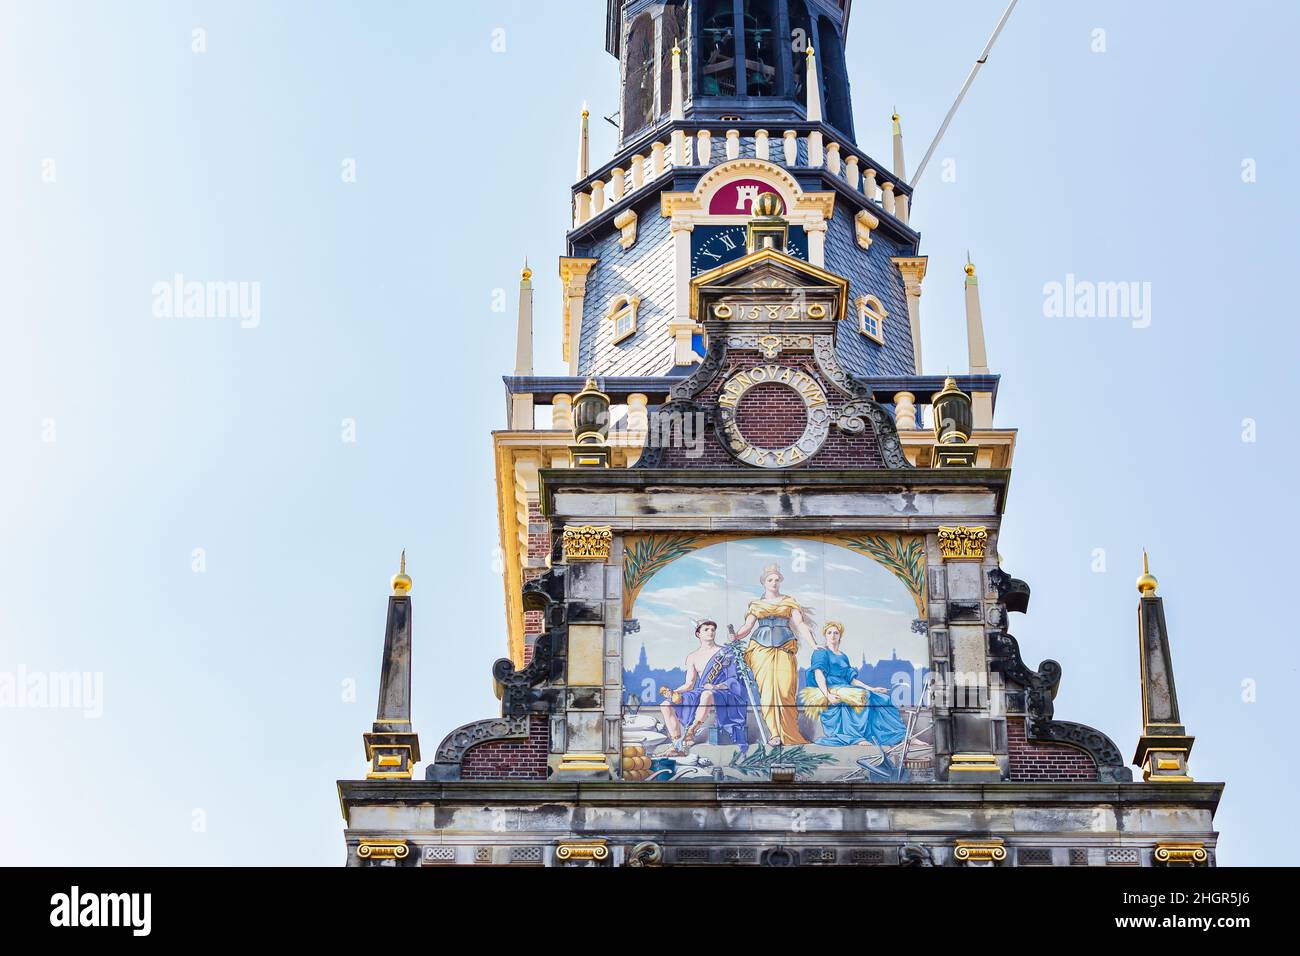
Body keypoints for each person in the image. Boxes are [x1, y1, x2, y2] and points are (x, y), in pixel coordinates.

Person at [730, 563, 815, 746]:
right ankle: (774, 734)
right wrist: (736, 636)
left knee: (785, 690)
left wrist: (813, 644)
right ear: (764, 582)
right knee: (767, 692)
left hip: (784, 647)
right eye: (770, 579)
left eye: (777, 579)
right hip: (760, 650)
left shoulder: (789, 601)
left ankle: (789, 733)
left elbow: (800, 624)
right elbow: (747, 627)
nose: (774, 582)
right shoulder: (756, 605)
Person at [799, 621, 906, 748]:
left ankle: (899, 736)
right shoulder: (821, 652)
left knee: (883, 698)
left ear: (840, 636)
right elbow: (818, 675)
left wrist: (872, 688)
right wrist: (827, 695)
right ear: (825, 635)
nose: (832, 635)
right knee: (863, 696)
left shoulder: (843, 656)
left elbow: (851, 679)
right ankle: (854, 736)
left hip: (845, 687)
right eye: (829, 633)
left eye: (836, 633)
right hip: (831, 688)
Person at [658, 621, 748, 754]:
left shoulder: (726, 652)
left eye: (713, 629)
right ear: (698, 633)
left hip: (724, 691)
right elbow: (689, 684)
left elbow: (733, 680)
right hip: (702, 690)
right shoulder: (692, 657)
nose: (711, 632)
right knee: (665, 705)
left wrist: (716, 686)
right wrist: (673, 692)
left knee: (707, 694)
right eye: (706, 629)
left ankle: (691, 732)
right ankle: (676, 744)